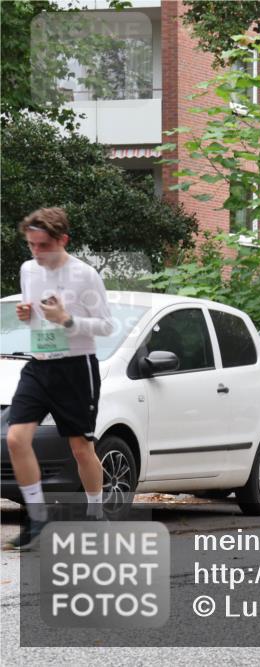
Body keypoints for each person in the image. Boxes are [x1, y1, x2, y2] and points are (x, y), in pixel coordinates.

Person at [4, 207, 114, 551]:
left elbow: (107, 326)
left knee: (80, 448)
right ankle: (36, 516)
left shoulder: (85, 275)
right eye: (31, 245)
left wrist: (67, 320)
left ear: (62, 240)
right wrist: (26, 314)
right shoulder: (27, 269)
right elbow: (35, 316)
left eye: (43, 245)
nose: (36, 253)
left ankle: (96, 513)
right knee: (16, 439)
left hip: (75, 368)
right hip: (39, 365)